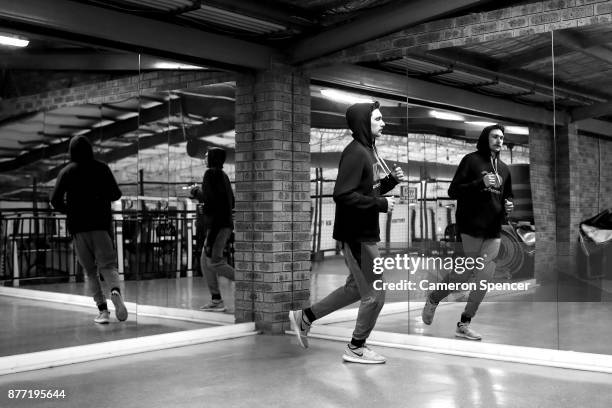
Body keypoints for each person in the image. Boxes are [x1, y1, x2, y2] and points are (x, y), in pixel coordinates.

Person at [289, 101, 406, 364]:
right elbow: (342, 195)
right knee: (376, 294)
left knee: (355, 289)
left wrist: (389, 182)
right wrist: (381, 204)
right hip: (357, 235)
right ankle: (356, 347)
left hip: (363, 232)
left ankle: (304, 317)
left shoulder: (367, 151)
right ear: (364, 123)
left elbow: (366, 189)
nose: (383, 123)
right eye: (377, 119)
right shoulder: (356, 152)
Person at [421, 124, 514, 340]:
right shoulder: (471, 160)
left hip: (493, 232)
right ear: (485, 138)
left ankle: (464, 323)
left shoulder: (505, 169)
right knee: (461, 277)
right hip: (469, 230)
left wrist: (509, 206)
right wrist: (479, 182)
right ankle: (434, 298)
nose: (499, 140)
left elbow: (508, 197)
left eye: (502, 137)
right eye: (495, 136)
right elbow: (454, 191)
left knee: (484, 279)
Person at [51, 135, 127, 324]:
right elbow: (116, 194)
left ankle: (103, 311)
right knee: (107, 266)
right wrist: (100, 197)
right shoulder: (101, 168)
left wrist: (70, 209)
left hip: (78, 228)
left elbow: (55, 200)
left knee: (90, 271)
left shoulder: (67, 171)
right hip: (100, 226)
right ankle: (115, 292)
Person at [199, 147, 235, 312]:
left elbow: (209, 199)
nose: (205, 158)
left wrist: (196, 193)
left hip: (218, 226)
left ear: (213, 158)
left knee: (214, 261)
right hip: (223, 225)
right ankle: (216, 299)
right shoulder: (223, 176)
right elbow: (230, 202)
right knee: (204, 261)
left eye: (207, 155)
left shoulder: (210, 174)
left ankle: (248, 283)